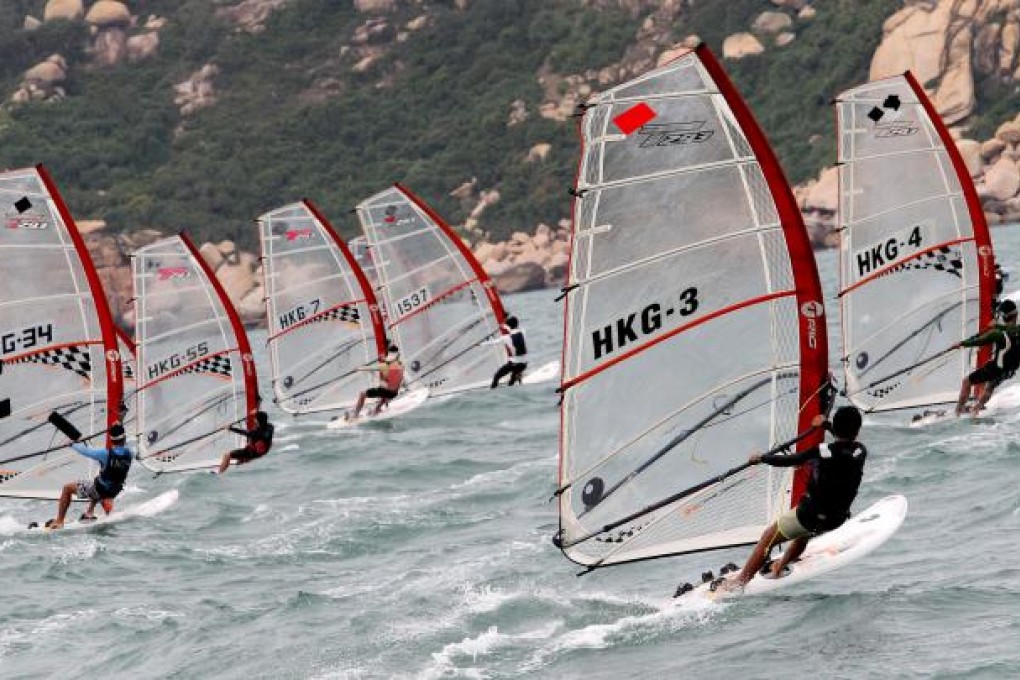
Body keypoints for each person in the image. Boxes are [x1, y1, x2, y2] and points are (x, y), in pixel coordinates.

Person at [723, 406, 867, 590]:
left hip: (809, 515)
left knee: (768, 536)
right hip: (836, 519)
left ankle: (740, 582)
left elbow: (792, 459)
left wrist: (763, 458)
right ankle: (780, 566)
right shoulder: (860, 452)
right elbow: (844, 445)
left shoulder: (821, 451)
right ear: (857, 430)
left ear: (837, 428)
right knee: (803, 534)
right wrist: (827, 425)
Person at [46, 422, 133, 529]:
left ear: (111, 440)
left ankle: (59, 521)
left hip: (101, 490)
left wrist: (72, 444)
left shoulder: (105, 454)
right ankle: (90, 513)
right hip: (114, 490)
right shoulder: (130, 453)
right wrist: (119, 422)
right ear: (124, 439)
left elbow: (87, 451)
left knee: (67, 488)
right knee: (98, 480)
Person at [954, 299, 1020, 416]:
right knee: (990, 386)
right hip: (1010, 369)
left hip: (997, 368)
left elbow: (979, 341)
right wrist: (998, 326)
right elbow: (1012, 330)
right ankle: (977, 408)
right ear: (1016, 314)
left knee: (967, 382)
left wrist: (961, 343)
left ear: (1004, 317)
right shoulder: (1014, 330)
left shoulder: (997, 333)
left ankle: (958, 411)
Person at [349, 345, 404, 419]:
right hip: (394, 393)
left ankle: (355, 415)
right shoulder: (401, 365)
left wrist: (358, 368)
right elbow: (392, 362)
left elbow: (371, 367)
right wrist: (384, 359)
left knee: (363, 394)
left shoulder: (384, 366)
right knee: (384, 386)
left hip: (387, 392)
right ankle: (377, 409)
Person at [488, 315, 528, 388]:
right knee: (512, 379)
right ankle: (515, 381)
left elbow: (493, 342)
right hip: (524, 364)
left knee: (496, 376)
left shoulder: (506, 337)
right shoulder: (523, 331)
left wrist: (480, 344)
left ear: (508, 326)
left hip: (513, 364)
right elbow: (512, 328)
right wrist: (505, 325)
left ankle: (493, 391)